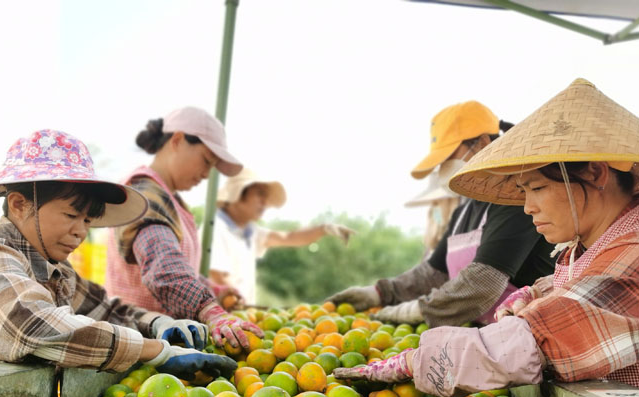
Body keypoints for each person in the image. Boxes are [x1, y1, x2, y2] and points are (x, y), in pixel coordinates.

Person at [334, 79, 639, 397]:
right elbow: (577, 289)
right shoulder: (597, 238)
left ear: (595, 172)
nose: (527, 207)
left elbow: (537, 341)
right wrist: (534, 295)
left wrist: (417, 360)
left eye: (538, 188)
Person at [0, 130, 236, 381]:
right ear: (19, 204)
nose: (81, 232)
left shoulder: (55, 271)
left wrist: (160, 324)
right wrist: (155, 351)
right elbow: (30, 328)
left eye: (88, 221)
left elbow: (107, 310)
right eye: (70, 216)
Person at [328, 101, 555, 328]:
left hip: (527, 336)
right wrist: (379, 293)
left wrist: (417, 310)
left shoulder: (516, 198)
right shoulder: (464, 210)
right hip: (481, 335)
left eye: (448, 157)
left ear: (482, 143)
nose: (442, 168)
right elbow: (432, 274)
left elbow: (482, 283)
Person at [104, 107, 263, 350]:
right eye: (207, 161)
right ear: (177, 140)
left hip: (166, 344)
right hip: (143, 344)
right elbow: (163, 267)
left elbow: (176, 262)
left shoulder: (168, 198)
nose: (208, 175)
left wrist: (211, 290)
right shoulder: (146, 195)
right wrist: (209, 310)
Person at [209, 168, 354, 304]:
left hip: (239, 317)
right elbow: (217, 277)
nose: (265, 202)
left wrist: (325, 229)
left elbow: (288, 238)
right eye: (260, 194)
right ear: (238, 194)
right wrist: (245, 310)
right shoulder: (215, 230)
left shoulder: (249, 231)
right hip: (221, 320)